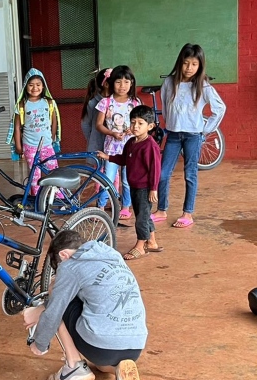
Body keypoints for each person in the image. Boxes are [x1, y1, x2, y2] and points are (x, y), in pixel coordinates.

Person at [22, 230, 148, 380]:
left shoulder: (70, 265)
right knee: (102, 366)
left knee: (56, 294)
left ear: (63, 255)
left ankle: (73, 366)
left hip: (101, 343)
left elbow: (55, 311)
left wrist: (39, 344)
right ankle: (120, 371)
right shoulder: (111, 254)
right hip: (135, 344)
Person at [152, 44, 226, 228]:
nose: (189, 68)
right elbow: (165, 105)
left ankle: (188, 213)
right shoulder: (169, 82)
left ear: (200, 65)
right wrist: (168, 125)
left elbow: (220, 108)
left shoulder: (203, 85)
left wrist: (205, 130)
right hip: (174, 135)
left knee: (190, 174)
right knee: (162, 173)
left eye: (194, 64)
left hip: (193, 136)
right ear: (180, 63)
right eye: (186, 63)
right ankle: (161, 209)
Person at [101, 106, 162, 260]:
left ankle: (140, 246)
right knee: (144, 215)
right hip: (134, 186)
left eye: (140, 123)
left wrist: (153, 189)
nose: (135, 126)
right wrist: (108, 157)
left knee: (141, 218)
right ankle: (152, 242)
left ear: (150, 126)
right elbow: (123, 159)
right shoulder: (131, 142)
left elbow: (155, 169)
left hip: (145, 187)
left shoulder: (150, 146)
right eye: (133, 122)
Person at [95, 65, 140, 220]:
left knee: (127, 180)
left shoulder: (135, 103)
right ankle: (100, 206)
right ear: (112, 82)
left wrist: (132, 130)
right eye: (119, 82)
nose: (122, 86)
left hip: (130, 148)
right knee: (107, 179)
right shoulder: (106, 102)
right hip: (111, 149)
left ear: (132, 84)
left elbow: (140, 124)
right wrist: (112, 133)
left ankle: (125, 207)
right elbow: (99, 124)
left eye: (126, 82)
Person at [12, 68, 60, 195]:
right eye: (31, 85)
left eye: (38, 85)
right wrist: (18, 146)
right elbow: (17, 127)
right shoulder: (22, 105)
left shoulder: (49, 102)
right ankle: (37, 200)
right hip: (30, 146)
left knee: (54, 172)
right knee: (35, 176)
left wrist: (52, 138)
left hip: (47, 145)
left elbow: (54, 122)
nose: (35, 88)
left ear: (43, 86)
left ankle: (61, 198)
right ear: (25, 86)